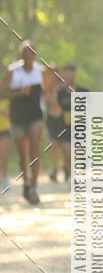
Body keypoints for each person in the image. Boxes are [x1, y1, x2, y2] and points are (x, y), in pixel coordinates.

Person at [2, 40, 44, 204]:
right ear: (21, 55)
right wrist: (19, 92)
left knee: (34, 150)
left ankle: (34, 187)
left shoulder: (40, 71)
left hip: (35, 116)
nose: (28, 56)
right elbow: (2, 91)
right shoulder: (13, 71)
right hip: (18, 117)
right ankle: (26, 183)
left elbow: (50, 89)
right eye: (25, 53)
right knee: (22, 154)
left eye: (31, 53)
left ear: (35, 55)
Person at [57, 64, 87, 181]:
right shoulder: (59, 93)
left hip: (80, 128)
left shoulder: (83, 91)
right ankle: (72, 177)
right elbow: (55, 109)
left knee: (79, 154)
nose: (69, 76)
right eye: (67, 74)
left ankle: (78, 174)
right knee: (68, 153)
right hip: (64, 127)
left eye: (71, 74)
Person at [43, 64, 69, 181]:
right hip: (51, 119)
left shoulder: (63, 87)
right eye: (50, 72)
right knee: (53, 145)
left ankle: (66, 167)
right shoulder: (45, 87)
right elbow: (45, 102)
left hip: (62, 120)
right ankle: (55, 170)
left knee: (64, 145)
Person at [0, 61, 11, 192]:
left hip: (5, 130)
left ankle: (4, 178)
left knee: (3, 156)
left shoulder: (8, 99)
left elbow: (12, 114)